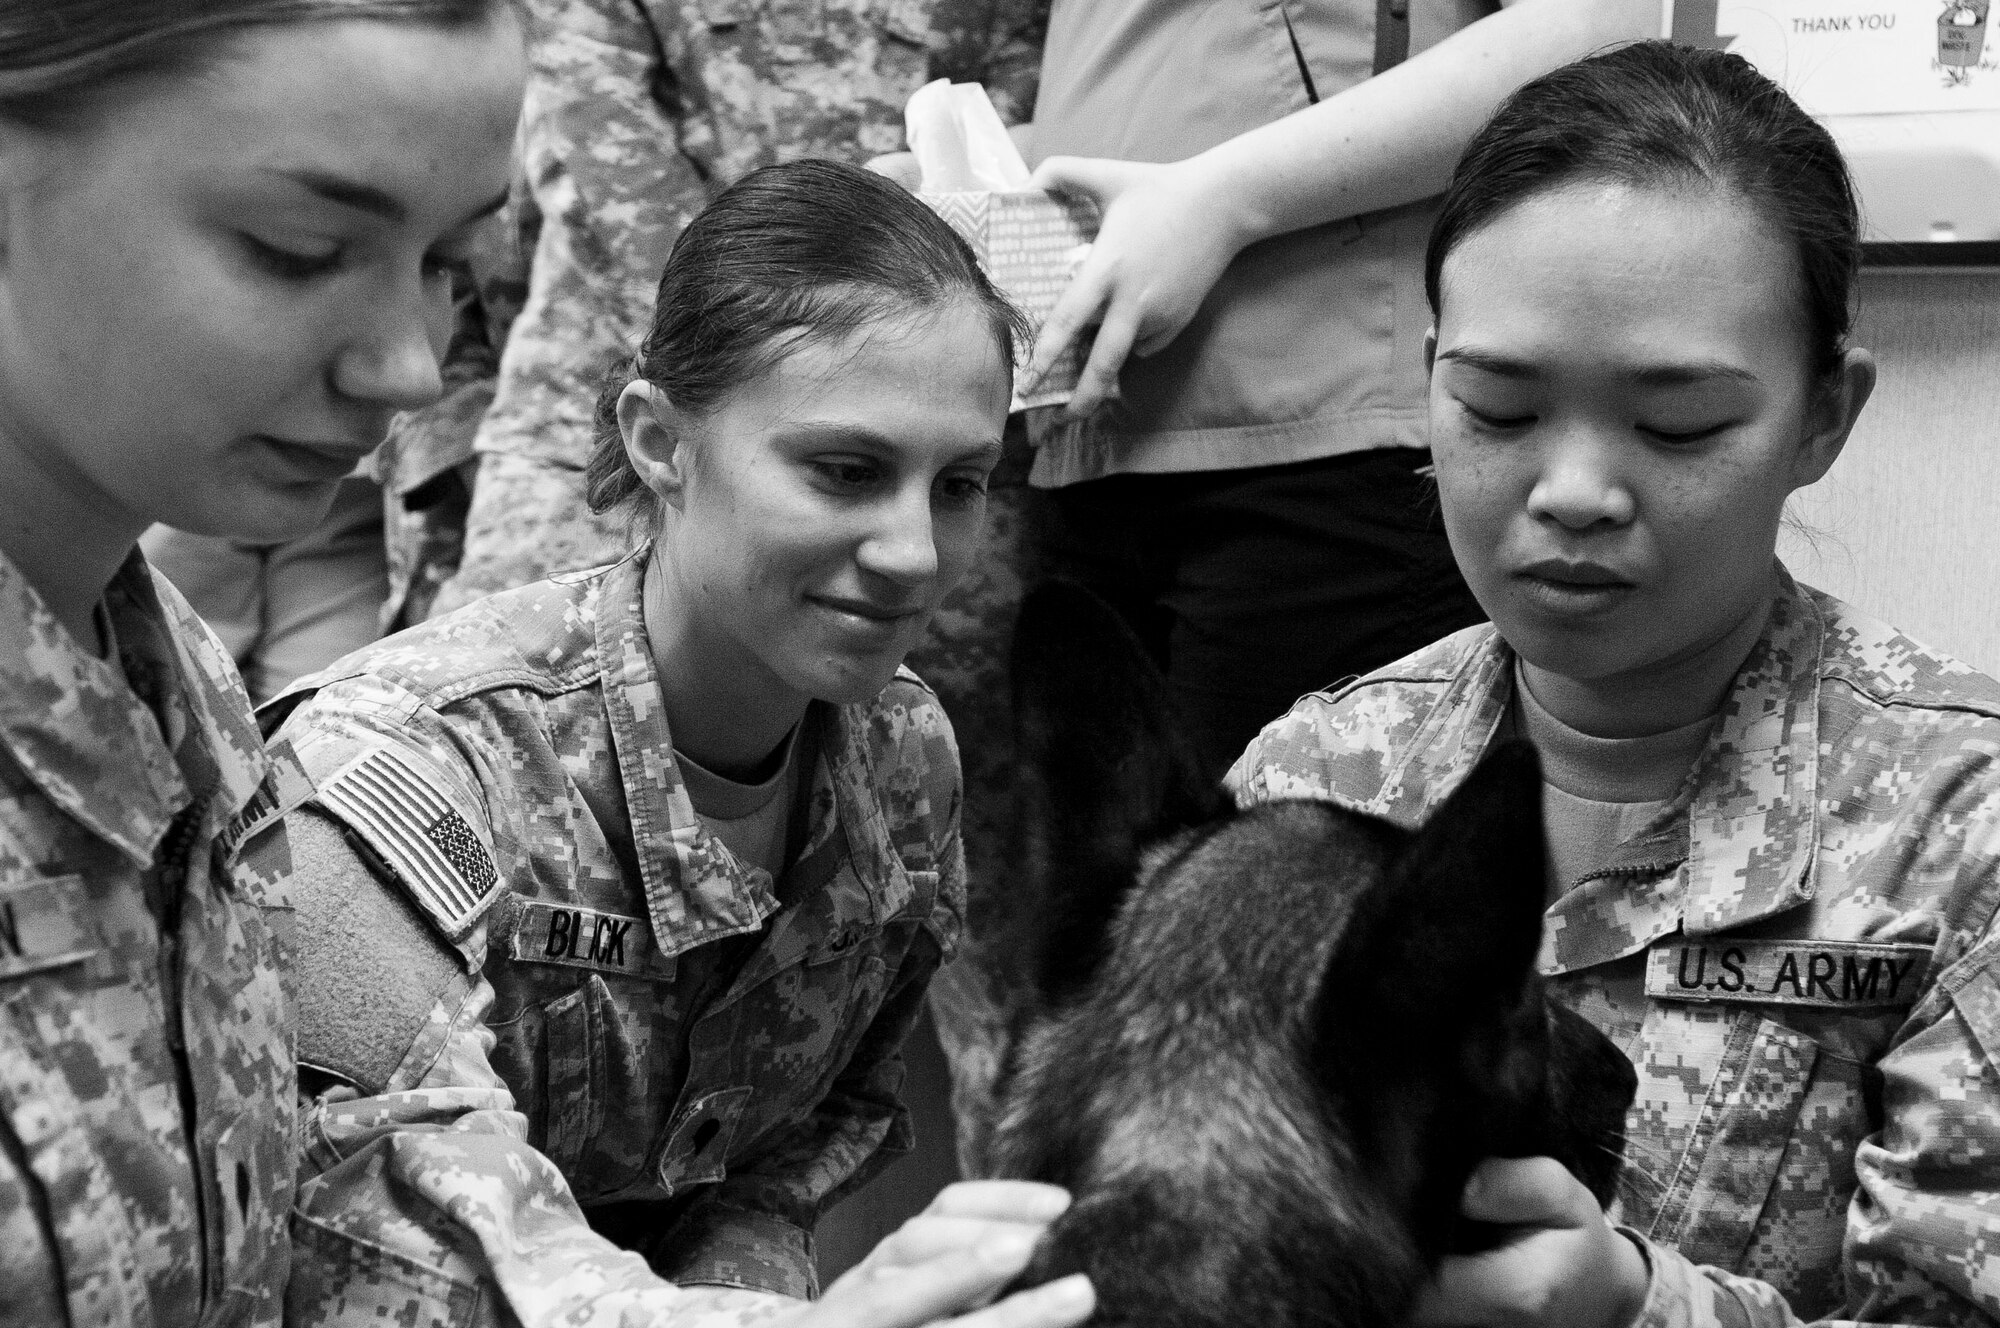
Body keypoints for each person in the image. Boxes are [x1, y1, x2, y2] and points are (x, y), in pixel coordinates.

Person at [1229, 42, 2000, 1326]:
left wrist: (1635, 1307)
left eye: (1676, 425)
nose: (1572, 491)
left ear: (1822, 419)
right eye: (1495, 406)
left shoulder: (1957, 830)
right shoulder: (1310, 784)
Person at [263, 160, 1098, 1328]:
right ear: (660, 441)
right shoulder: (409, 768)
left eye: (958, 483)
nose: (913, 550)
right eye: (845, 471)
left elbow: (786, 1148)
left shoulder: (902, 757)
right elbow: (369, 1192)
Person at [0, 0, 525, 1320]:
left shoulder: (171, 687)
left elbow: (322, 1161)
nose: (409, 364)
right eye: (301, 253)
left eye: (456, 265)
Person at [383, 0, 1049, 627]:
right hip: (620, 420)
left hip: (921, 438)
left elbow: (1002, 161)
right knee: (539, 707)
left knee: (896, 731)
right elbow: (607, 174)